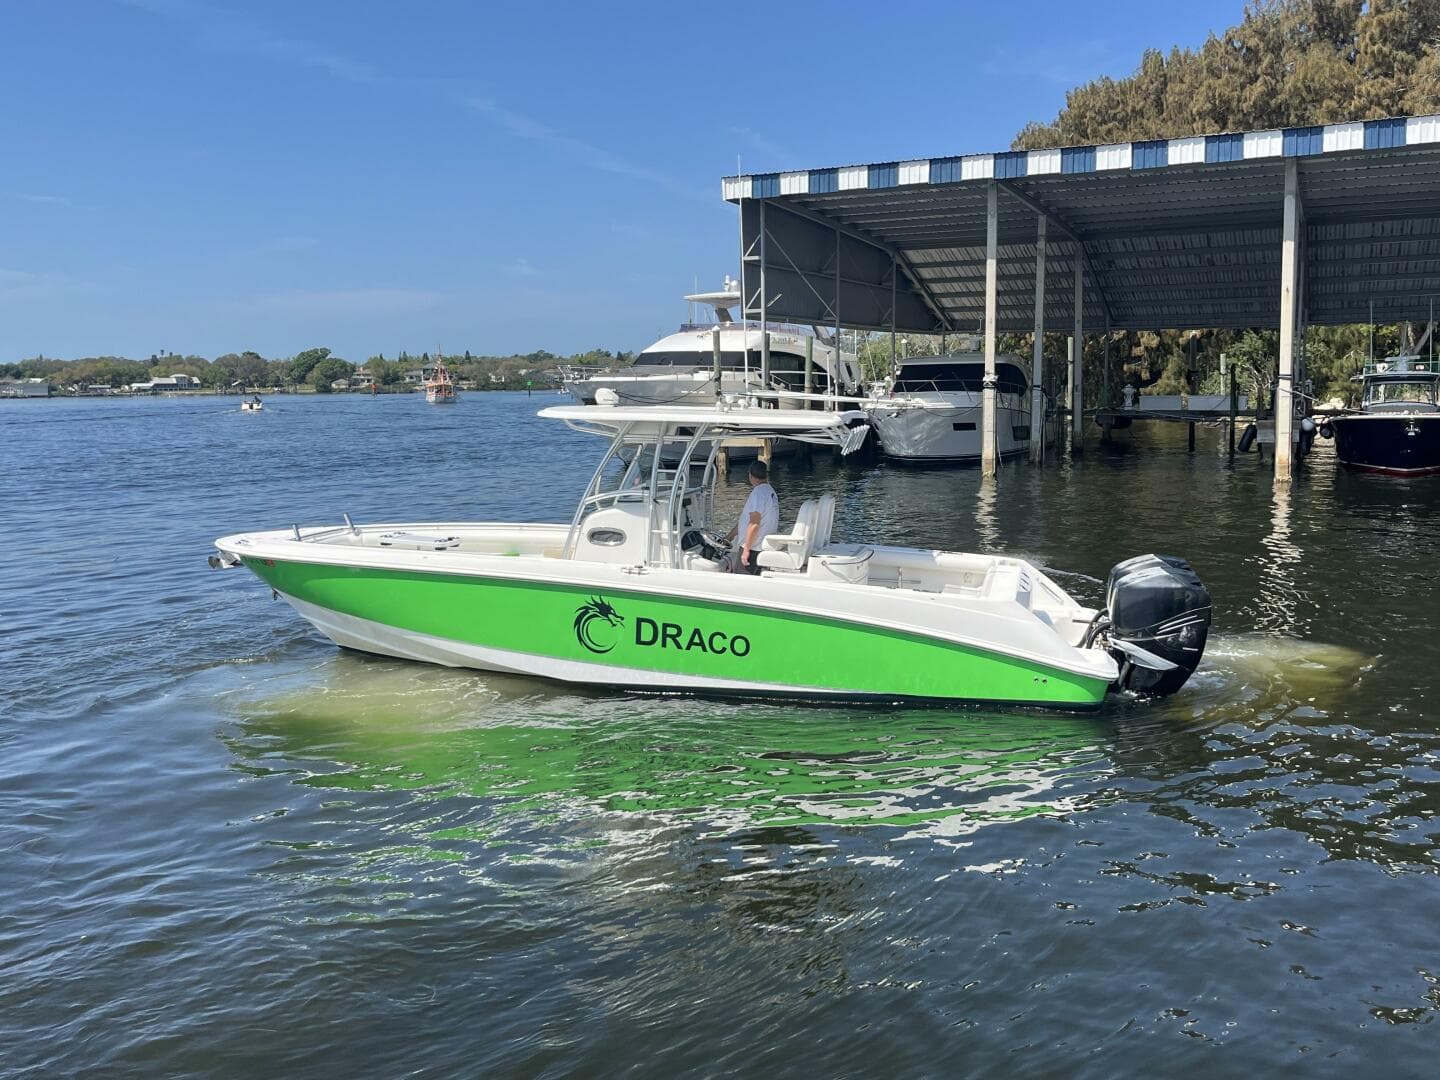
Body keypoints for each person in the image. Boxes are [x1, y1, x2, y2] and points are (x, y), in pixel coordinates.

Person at [726, 460, 779, 574]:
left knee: (740, 581)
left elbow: (754, 523)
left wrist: (746, 550)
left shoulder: (758, 493)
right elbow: (745, 522)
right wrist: (728, 538)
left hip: (753, 548)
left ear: (750, 475)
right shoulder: (770, 491)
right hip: (760, 546)